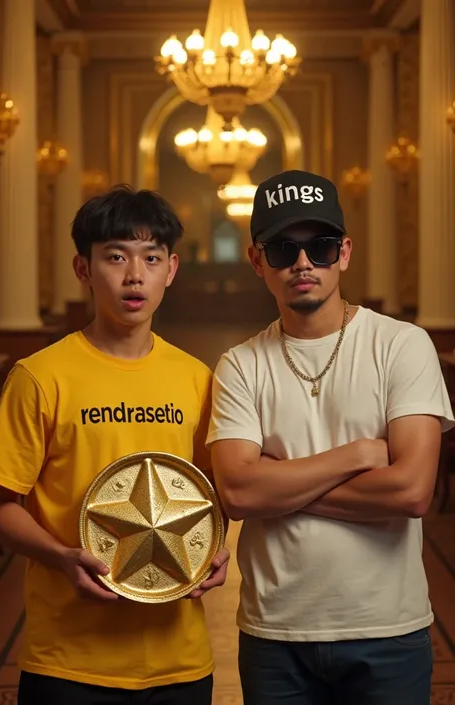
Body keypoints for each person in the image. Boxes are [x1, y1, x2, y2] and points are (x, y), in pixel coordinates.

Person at [206, 169, 454, 705]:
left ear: (343, 253)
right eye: (282, 250)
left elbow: (411, 492)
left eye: (318, 248)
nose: (302, 264)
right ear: (257, 261)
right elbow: (239, 495)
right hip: (275, 635)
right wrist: (360, 456)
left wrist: (279, 483)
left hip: (388, 629)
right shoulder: (240, 365)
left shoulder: (402, 346)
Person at [0, 186, 229, 705]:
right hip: (68, 663)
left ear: (172, 270)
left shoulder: (197, 379)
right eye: (115, 256)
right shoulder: (41, 376)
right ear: (83, 268)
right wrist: (61, 557)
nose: (133, 275)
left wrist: (219, 549)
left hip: (178, 661)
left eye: (151, 258)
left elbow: (212, 499)